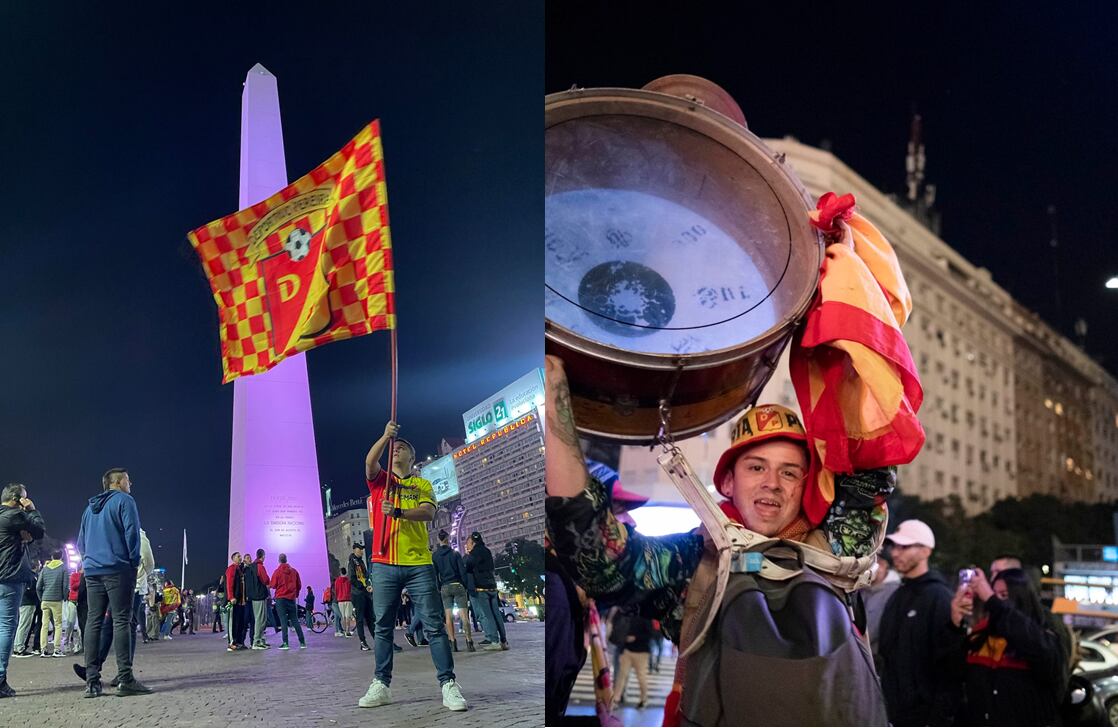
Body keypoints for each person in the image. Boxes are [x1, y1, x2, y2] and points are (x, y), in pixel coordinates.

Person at [545, 356, 888, 725]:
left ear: (807, 486)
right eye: (756, 467)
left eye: (789, 472)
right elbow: (603, 559)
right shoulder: (693, 560)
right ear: (727, 483)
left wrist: (846, 356)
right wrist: (553, 403)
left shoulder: (836, 551)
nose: (771, 482)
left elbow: (870, 466)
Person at [356, 422, 467, 711]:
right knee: (382, 626)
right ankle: (381, 684)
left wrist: (399, 512)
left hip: (418, 563)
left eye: (402, 448)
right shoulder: (380, 482)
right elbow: (369, 462)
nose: (397, 450)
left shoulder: (421, 484)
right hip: (383, 563)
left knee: (434, 626)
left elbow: (429, 512)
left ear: (412, 458)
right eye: (395, 447)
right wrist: (385, 436)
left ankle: (448, 684)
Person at [949, 567, 1064, 725]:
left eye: (1004, 595)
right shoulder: (982, 634)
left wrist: (990, 599)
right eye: (994, 595)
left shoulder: (1041, 633)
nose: (995, 602)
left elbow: (1044, 656)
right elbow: (952, 673)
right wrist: (955, 625)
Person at [77, 468, 152, 697]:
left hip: (92, 570)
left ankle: (92, 682)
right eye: (129, 480)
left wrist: (90, 561)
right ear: (118, 482)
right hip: (118, 568)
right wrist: (131, 561)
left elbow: (81, 542)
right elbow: (132, 533)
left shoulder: (89, 509)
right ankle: (125, 678)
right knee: (122, 620)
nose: (131, 483)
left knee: (94, 621)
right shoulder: (124, 501)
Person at [877, 519, 957, 725]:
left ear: (925, 551)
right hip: (892, 712)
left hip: (926, 716)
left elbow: (948, 665)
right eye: (894, 546)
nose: (895, 553)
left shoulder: (940, 597)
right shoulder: (897, 595)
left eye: (904, 547)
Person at [0, 483, 46, 697]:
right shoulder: (13, 516)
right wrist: (32, 509)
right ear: (17, 499)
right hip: (8, 577)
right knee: (7, 626)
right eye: (24, 498)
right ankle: (0, 678)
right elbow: (39, 531)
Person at [433, 529, 475, 652]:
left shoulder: (435, 556)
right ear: (448, 539)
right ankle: (469, 641)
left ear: (438, 540)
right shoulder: (455, 554)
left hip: (445, 587)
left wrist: (439, 586)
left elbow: (435, 574)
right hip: (457, 584)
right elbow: (462, 571)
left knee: (448, 616)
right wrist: (464, 585)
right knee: (464, 616)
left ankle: (452, 642)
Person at [465, 532, 506, 651]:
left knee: (487, 615)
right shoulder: (487, 551)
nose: (467, 546)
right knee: (496, 614)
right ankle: (504, 640)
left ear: (473, 542)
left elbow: (468, 568)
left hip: (481, 587)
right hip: (492, 586)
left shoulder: (473, 554)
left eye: (468, 543)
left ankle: (494, 641)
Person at [862, 551, 901, 671]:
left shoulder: (895, 592)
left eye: (875, 562)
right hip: (860, 655)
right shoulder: (861, 589)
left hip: (878, 660)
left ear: (884, 565)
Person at [611, 612, 654, 710]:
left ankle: (644, 700)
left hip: (641, 652)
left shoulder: (646, 616)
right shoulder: (628, 613)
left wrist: (635, 638)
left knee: (641, 676)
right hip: (627, 650)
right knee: (621, 675)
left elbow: (651, 634)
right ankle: (616, 699)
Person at [268, 553, 306, 650]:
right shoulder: (294, 571)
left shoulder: (277, 572)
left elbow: (272, 585)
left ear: (279, 560)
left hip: (280, 599)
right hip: (291, 599)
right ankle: (302, 642)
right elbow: (299, 585)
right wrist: (295, 594)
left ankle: (285, 643)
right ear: (286, 560)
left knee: (283, 621)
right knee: (295, 620)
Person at [36, 550, 68, 657]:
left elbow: (38, 587)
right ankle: (57, 649)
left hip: (45, 600)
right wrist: (63, 597)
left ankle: (43, 650)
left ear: (52, 556)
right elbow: (65, 586)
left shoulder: (45, 569)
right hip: (56, 600)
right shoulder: (63, 568)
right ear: (61, 557)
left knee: (44, 625)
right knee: (58, 625)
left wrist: (42, 598)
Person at [349, 543, 376, 651]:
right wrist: (363, 585)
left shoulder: (360, 562)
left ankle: (377, 640)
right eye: (360, 549)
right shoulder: (352, 562)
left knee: (370, 618)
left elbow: (365, 576)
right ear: (355, 550)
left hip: (364, 593)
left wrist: (368, 586)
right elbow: (352, 578)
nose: (362, 551)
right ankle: (363, 642)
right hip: (357, 594)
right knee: (360, 619)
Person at [246, 549, 270, 649]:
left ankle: (260, 640)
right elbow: (266, 580)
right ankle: (257, 642)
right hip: (259, 596)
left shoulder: (251, 567)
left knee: (260, 619)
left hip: (254, 596)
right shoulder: (259, 566)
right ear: (263, 556)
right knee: (260, 619)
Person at [225, 552, 248, 651]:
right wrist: (231, 597)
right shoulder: (232, 569)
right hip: (234, 600)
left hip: (241, 601)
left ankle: (239, 642)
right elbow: (229, 583)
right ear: (233, 558)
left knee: (240, 623)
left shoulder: (240, 570)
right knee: (233, 623)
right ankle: (231, 643)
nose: (240, 558)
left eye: (240, 556)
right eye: (238, 556)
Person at [333, 567, 353, 637]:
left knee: (343, 617)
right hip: (348, 600)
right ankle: (347, 631)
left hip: (340, 600)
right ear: (346, 572)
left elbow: (336, 591)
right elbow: (351, 590)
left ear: (340, 572)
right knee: (348, 617)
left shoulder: (337, 581)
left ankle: (344, 631)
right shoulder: (348, 580)